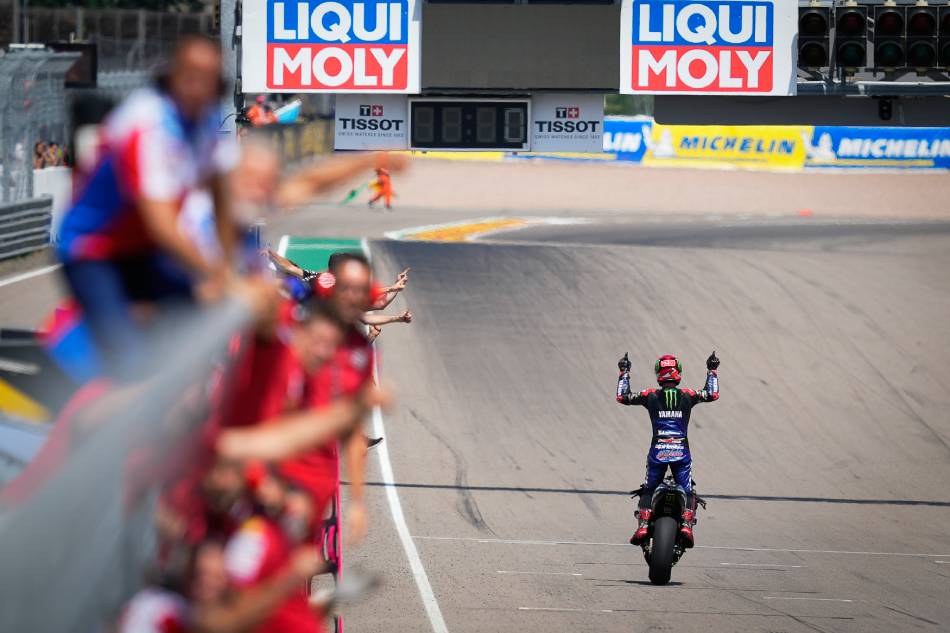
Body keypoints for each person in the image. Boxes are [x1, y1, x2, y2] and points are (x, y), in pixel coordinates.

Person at [55, 34, 240, 378]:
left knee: (199, 333)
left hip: (143, 247)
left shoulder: (209, 121)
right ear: (172, 74)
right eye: (190, 73)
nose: (197, 85)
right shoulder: (148, 122)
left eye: (208, 77)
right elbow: (162, 225)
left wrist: (226, 267)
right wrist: (217, 275)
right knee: (130, 364)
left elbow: (222, 199)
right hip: (95, 250)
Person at [616, 351, 720, 548]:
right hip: (681, 450)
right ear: (677, 373)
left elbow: (623, 397)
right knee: (688, 490)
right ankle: (687, 526)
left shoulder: (650, 395)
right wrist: (712, 370)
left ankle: (643, 526)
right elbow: (711, 394)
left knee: (648, 489)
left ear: (659, 374)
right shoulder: (688, 395)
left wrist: (624, 372)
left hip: (658, 451)